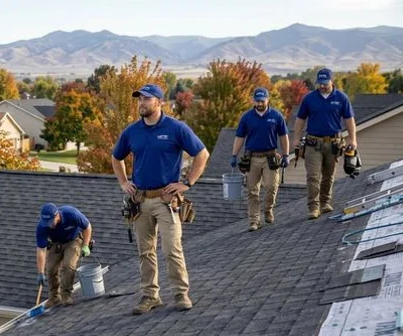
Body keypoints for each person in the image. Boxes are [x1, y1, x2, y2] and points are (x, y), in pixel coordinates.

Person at [111, 83, 210, 315]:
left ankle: (180, 294)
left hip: (167, 200)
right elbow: (117, 158)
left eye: (146, 99)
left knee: (171, 249)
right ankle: (150, 296)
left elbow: (202, 154)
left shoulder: (176, 128)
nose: (141, 103)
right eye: (139, 99)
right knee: (145, 252)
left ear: (159, 102)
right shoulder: (131, 131)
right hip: (140, 200)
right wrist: (124, 183)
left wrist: (187, 183)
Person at [292, 67, 357, 219]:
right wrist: (296, 138)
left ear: (331, 81)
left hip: (333, 142)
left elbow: (349, 120)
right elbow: (300, 120)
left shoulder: (341, 98)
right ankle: (313, 207)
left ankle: (324, 202)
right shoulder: (309, 98)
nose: (321, 86)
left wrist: (353, 139)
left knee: (329, 175)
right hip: (313, 143)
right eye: (319, 83)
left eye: (324, 83)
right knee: (313, 176)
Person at [230, 87, 290, 231]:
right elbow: (239, 138)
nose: (260, 103)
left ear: (268, 100)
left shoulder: (276, 116)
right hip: (252, 158)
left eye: (262, 101)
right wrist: (234, 155)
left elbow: (284, 137)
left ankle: (268, 209)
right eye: (257, 101)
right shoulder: (247, 117)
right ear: (253, 101)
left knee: (271, 186)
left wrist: (286, 155)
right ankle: (254, 221)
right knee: (252, 191)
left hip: (270, 157)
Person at [35, 203, 93, 308]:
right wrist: (40, 272)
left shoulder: (71, 214)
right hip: (56, 243)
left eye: (50, 222)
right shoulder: (41, 227)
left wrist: (85, 245)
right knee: (51, 268)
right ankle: (54, 297)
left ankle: (66, 295)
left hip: (73, 240)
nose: (49, 225)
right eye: (46, 222)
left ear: (57, 216)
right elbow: (41, 251)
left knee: (68, 265)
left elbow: (87, 227)